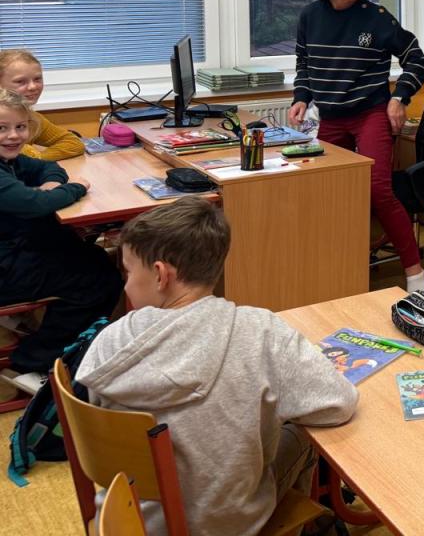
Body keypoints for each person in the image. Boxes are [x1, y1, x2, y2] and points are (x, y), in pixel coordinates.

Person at [77, 198, 358, 536]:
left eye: (128, 271)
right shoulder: (261, 331)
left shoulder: (109, 341)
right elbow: (338, 404)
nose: (125, 284)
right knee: (300, 432)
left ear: (160, 274)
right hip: (230, 525)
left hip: (131, 522)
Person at [285, 0, 424, 294]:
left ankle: (416, 274)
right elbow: (304, 63)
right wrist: (301, 97)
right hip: (332, 116)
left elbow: (416, 59)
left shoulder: (376, 18)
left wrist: (399, 97)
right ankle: (336, 268)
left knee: (377, 189)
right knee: (326, 190)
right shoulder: (310, 17)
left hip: (370, 113)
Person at [0, 90, 120, 386]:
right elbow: (35, 204)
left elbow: (48, 167)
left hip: (11, 250)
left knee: (86, 252)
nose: (13, 136)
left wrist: (52, 186)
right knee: (98, 280)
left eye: (20, 127)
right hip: (5, 269)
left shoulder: (10, 159)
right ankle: (34, 364)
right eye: (2, 128)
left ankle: (49, 335)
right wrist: (75, 188)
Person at [0, 49, 84, 161]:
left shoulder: (33, 119)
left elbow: (74, 144)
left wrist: (38, 159)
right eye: (20, 81)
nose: (32, 87)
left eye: (37, 79)